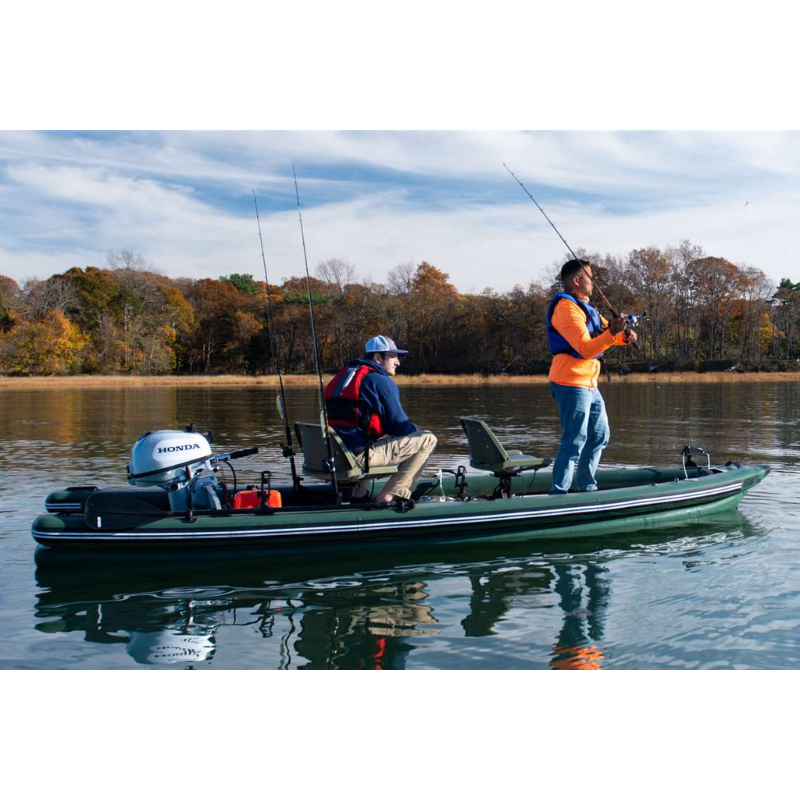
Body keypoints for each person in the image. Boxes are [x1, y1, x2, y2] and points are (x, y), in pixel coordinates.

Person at [547, 259, 636, 494]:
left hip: (588, 383)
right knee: (575, 438)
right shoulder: (566, 309)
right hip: (570, 381)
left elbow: (608, 334)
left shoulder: (588, 309)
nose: (594, 283)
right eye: (590, 277)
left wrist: (625, 335)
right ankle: (559, 493)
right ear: (577, 280)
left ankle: (586, 485)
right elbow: (586, 349)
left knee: (599, 435)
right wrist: (614, 332)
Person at [324, 335, 437, 505]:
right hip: (358, 458)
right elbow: (399, 428)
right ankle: (388, 497)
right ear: (377, 358)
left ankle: (359, 493)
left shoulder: (342, 378)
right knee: (428, 439)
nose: (398, 362)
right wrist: (417, 429)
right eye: (393, 356)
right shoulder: (381, 381)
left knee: (372, 438)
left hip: (335, 456)